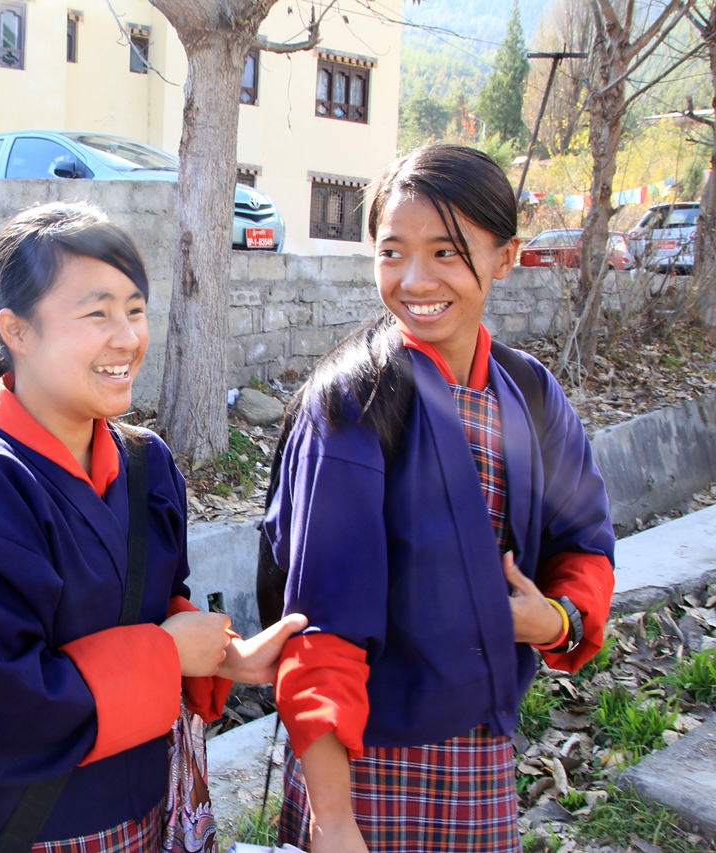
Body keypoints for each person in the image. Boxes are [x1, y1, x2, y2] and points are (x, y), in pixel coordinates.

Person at [0, 202, 304, 853]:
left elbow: (153, 605)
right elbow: (11, 709)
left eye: (135, 309)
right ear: (16, 329)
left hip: (147, 808)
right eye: (97, 312)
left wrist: (229, 654)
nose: (127, 337)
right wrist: (169, 654)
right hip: (28, 832)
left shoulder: (147, 464)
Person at [261, 145, 615, 853]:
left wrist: (556, 621)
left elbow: (584, 542)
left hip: (481, 756)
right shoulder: (352, 404)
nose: (414, 279)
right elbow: (320, 626)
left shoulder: (531, 395)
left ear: (506, 256)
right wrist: (334, 821)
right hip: (362, 763)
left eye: (447, 252)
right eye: (392, 251)